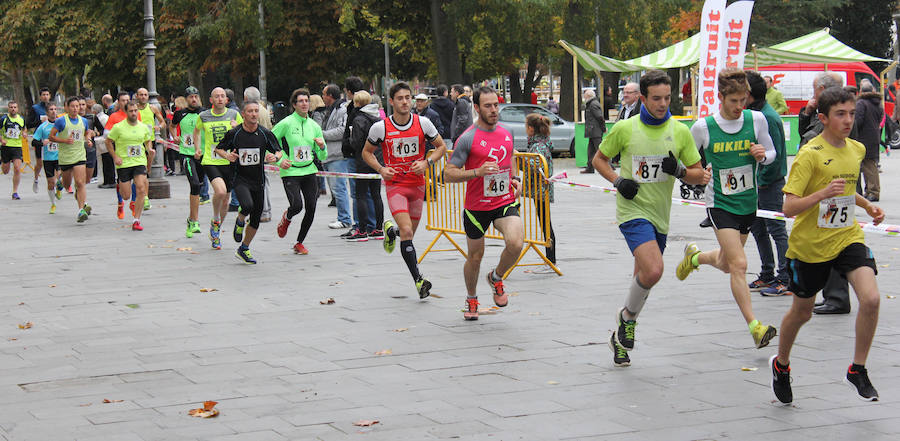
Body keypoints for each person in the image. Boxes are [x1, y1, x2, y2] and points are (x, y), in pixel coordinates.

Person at [770, 86, 885, 404]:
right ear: (822, 118)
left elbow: (846, 188)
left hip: (847, 236)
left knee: (872, 299)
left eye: (851, 113)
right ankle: (781, 364)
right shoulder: (810, 155)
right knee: (802, 312)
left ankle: (857, 369)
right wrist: (821, 194)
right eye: (840, 114)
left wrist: (867, 206)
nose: (848, 120)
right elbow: (789, 208)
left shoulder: (856, 149)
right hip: (810, 246)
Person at [591, 70, 708, 366]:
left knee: (642, 278)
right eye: (656, 98)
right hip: (632, 211)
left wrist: (679, 171)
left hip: (660, 215)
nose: (662, 104)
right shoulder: (626, 129)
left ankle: (620, 337)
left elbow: (700, 175)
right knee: (654, 270)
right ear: (643, 98)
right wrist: (618, 181)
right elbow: (599, 160)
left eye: (667, 98)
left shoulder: (680, 131)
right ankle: (627, 318)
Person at [678, 68, 778, 350]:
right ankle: (755, 327)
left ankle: (695, 258)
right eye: (733, 100)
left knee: (726, 263)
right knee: (740, 265)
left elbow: (772, 153)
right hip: (719, 204)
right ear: (720, 97)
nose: (739, 106)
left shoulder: (756, 120)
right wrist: (697, 175)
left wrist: (763, 155)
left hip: (747, 202)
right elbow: (686, 164)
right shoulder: (703, 127)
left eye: (743, 100)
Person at [443, 86, 523, 320]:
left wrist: (516, 179)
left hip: (504, 201)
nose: (494, 110)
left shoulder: (507, 132)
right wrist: (477, 172)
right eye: (488, 106)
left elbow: (511, 157)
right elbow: (448, 173)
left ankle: (496, 277)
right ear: (476, 108)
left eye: (496, 105)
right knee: (475, 257)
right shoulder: (467, 138)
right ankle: (471, 298)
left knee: (516, 243)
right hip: (477, 208)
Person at [363, 82, 446, 299]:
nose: (405, 102)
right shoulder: (380, 127)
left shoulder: (423, 123)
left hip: (417, 185)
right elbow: (367, 153)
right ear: (391, 102)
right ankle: (419, 281)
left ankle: (391, 231)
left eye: (408, 97)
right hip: (396, 186)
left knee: (407, 234)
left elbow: (441, 148)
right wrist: (381, 169)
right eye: (400, 98)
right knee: (407, 232)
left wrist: (427, 163)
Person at [798, 72, 854, 315]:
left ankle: (837, 296)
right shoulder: (823, 115)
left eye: (815, 91)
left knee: (835, 244)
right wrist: (807, 113)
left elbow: (810, 139)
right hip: (830, 190)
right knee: (830, 241)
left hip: (834, 189)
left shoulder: (835, 117)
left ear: (823, 90)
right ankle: (833, 295)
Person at [216, 101, 284, 264]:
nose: (254, 114)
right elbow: (219, 148)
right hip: (240, 178)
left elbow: (279, 151)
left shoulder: (264, 133)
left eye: (256, 111)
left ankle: (244, 249)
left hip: (258, 180)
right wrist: (227, 156)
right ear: (244, 114)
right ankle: (240, 220)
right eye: (250, 111)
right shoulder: (235, 133)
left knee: (255, 218)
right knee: (246, 205)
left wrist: (275, 157)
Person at [744, 71, 791, 297]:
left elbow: (776, 155)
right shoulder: (755, 114)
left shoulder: (768, 117)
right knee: (757, 228)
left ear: (750, 95)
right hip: (756, 183)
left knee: (776, 230)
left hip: (769, 183)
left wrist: (762, 181)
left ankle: (786, 277)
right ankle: (767, 272)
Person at [272, 88, 327, 254]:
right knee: (296, 205)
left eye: (306, 101)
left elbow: (322, 155)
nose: (304, 104)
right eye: (300, 101)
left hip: (309, 170)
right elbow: (269, 143)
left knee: (311, 207)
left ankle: (299, 242)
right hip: (291, 172)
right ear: (294, 105)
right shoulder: (286, 123)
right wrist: (280, 160)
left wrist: (322, 147)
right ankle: (286, 218)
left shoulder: (314, 126)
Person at [192, 87, 243, 250]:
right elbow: (196, 131)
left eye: (223, 96)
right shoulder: (204, 116)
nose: (220, 99)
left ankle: (216, 231)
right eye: (217, 96)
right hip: (211, 160)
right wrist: (197, 148)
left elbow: (245, 133)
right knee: (220, 192)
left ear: (226, 100)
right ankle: (215, 219)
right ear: (211, 100)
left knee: (226, 199)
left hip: (229, 161)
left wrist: (237, 128)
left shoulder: (234, 115)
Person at [106, 101, 154, 231]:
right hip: (124, 164)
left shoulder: (143, 127)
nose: (133, 113)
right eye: (131, 111)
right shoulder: (118, 127)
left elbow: (147, 140)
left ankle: (136, 220)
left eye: (135, 110)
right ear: (126, 112)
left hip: (139, 162)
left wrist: (149, 150)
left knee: (141, 189)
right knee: (126, 195)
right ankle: (120, 192)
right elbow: (108, 142)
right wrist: (115, 156)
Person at [48, 96, 94, 222]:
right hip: (65, 158)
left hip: (79, 155)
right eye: (72, 106)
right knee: (67, 184)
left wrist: (88, 140)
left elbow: (87, 132)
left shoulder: (83, 121)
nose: (75, 109)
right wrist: (64, 140)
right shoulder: (61, 121)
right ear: (67, 107)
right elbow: (51, 136)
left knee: (80, 183)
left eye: (77, 106)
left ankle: (81, 211)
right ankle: (60, 183)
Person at [171, 86, 206, 238]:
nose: (194, 99)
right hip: (187, 154)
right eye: (191, 97)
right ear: (186, 99)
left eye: (195, 96)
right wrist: (175, 136)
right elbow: (171, 126)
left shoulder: (204, 113)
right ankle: (195, 221)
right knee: (195, 184)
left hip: (202, 155)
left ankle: (191, 219)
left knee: (199, 186)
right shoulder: (180, 114)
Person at [321, 83, 354, 231]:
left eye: (324, 94)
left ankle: (344, 218)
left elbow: (342, 130)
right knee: (337, 188)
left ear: (330, 96)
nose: (322, 97)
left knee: (339, 188)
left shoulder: (341, 110)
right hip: (330, 154)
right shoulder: (331, 109)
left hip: (337, 155)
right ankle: (343, 217)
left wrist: (323, 134)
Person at [524, 113, 556, 264]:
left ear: (531, 129)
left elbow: (536, 166)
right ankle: (550, 258)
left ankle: (551, 259)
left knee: (545, 224)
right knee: (545, 222)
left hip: (540, 190)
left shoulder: (538, 146)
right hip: (540, 190)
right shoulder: (540, 143)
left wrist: (520, 160)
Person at [244, 86, 273, 223]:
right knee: (264, 181)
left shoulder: (251, 111)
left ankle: (261, 211)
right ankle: (266, 211)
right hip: (263, 149)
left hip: (255, 150)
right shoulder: (264, 111)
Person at [855, 80, 882, 202]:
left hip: (864, 138)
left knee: (868, 166)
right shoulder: (877, 103)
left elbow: (858, 121)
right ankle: (871, 190)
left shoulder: (861, 103)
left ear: (861, 91)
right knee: (871, 164)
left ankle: (873, 192)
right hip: (874, 136)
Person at [32, 103, 63, 213]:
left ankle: (59, 186)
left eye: (55, 109)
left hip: (61, 156)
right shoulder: (43, 127)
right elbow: (34, 141)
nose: (54, 111)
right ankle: (53, 204)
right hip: (48, 158)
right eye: (51, 109)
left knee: (59, 175)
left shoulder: (62, 124)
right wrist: (42, 142)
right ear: (47, 112)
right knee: (50, 183)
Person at [27, 88, 53, 191]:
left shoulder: (52, 107)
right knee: (39, 163)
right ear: (40, 96)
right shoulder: (35, 108)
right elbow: (28, 124)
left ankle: (55, 183)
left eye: (47, 94)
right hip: (40, 138)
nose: (45, 96)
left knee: (55, 161)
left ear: (50, 96)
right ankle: (36, 179)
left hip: (52, 138)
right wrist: (39, 121)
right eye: (43, 95)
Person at [1, 101, 26, 199]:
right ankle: (3, 162)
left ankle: (15, 192)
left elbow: (24, 128)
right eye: (11, 107)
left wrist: (24, 133)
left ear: (18, 108)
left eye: (15, 107)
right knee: (5, 171)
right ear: (8, 109)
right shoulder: (3, 119)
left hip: (17, 147)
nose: (13, 109)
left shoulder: (21, 119)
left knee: (17, 168)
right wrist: (1, 140)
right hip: (5, 147)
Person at [581, 89, 605, 174]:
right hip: (593, 131)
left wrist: (603, 128)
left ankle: (608, 166)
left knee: (600, 149)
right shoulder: (592, 103)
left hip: (595, 130)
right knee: (591, 150)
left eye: (585, 96)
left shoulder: (593, 104)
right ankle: (590, 167)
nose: (584, 97)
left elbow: (600, 117)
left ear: (588, 96)